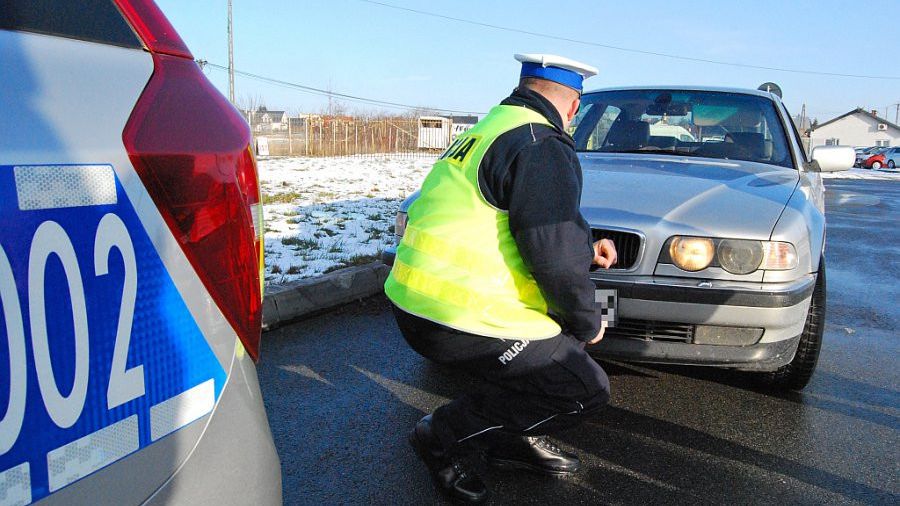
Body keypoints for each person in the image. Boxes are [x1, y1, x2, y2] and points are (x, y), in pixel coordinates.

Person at [384, 53, 617, 504]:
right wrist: (589, 321)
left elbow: (506, 223)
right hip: (457, 314)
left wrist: (586, 250)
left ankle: (510, 437)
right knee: (582, 387)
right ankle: (440, 435)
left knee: (551, 352)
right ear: (573, 107)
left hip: (417, 302)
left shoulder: (492, 127)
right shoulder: (541, 143)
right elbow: (551, 258)